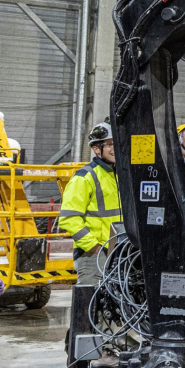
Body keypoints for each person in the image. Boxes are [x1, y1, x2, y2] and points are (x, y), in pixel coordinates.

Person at [59, 122, 121, 286]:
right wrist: (93, 247)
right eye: (109, 144)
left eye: (117, 143)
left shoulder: (122, 176)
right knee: (91, 304)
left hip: (120, 252)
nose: (114, 148)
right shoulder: (84, 177)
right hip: (93, 255)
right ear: (96, 149)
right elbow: (69, 219)